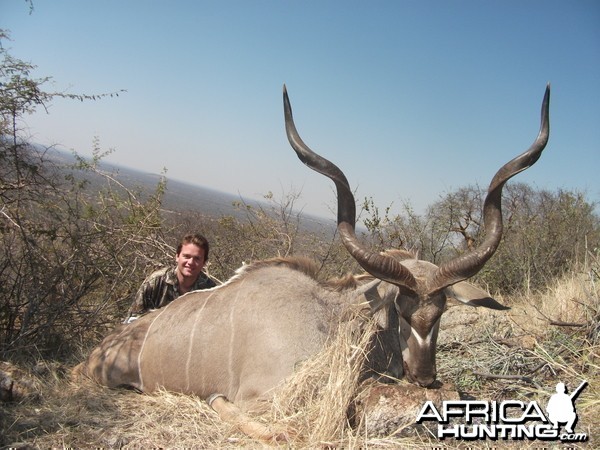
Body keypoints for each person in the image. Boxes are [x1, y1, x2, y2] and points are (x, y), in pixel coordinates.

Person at [125, 233, 217, 322]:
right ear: (177, 257)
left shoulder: (209, 290)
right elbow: (132, 320)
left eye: (197, 258)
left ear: (204, 262)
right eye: (186, 256)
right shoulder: (156, 281)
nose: (191, 262)